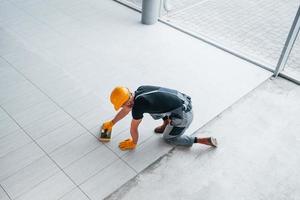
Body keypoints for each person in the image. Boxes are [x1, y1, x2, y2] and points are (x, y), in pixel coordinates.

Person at [101, 86, 217, 151]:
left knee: (168, 138)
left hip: (184, 115)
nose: (122, 107)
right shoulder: (139, 91)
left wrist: (134, 142)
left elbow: (133, 128)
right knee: (153, 109)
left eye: (122, 105)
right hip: (182, 100)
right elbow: (126, 109)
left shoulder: (138, 106)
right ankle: (166, 124)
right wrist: (112, 123)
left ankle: (201, 140)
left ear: (128, 101)